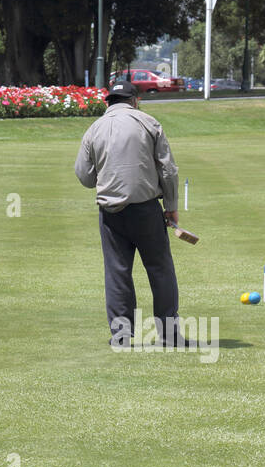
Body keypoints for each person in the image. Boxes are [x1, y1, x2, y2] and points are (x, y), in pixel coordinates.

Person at [75, 79, 185, 347]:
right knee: (159, 269)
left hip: (110, 212)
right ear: (135, 101)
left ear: (109, 102)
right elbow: (168, 170)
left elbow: (84, 176)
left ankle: (122, 335)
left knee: (117, 271)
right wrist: (170, 206)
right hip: (146, 208)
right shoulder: (149, 122)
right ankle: (169, 335)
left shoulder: (94, 128)